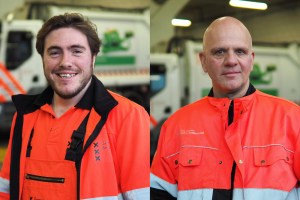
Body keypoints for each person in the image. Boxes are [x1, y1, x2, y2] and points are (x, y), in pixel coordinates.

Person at [0, 13, 150, 199]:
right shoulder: (25, 115)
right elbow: (5, 188)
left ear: (93, 57)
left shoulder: (128, 116)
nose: (65, 62)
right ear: (43, 59)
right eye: (55, 52)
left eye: (77, 51)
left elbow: (139, 193)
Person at [150, 16, 300, 200]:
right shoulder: (176, 125)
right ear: (203, 61)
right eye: (219, 52)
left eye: (240, 51)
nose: (231, 60)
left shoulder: (292, 119)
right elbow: (158, 193)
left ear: (251, 60)